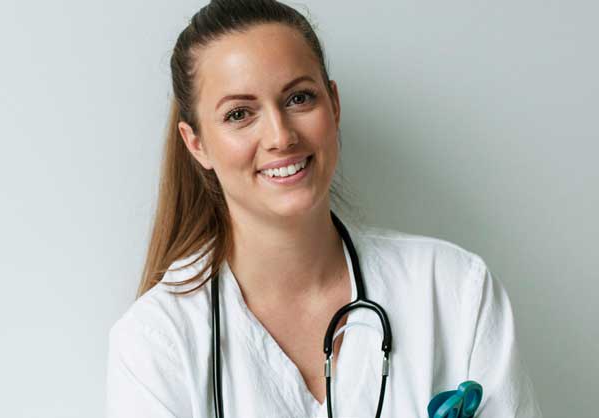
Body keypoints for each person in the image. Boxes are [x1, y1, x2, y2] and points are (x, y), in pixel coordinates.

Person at [106, 0, 542, 417]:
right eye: (240, 114)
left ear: (333, 104)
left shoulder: (454, 290)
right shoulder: (155, 342)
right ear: (196, 143)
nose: (280, 136)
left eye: (299, 98)